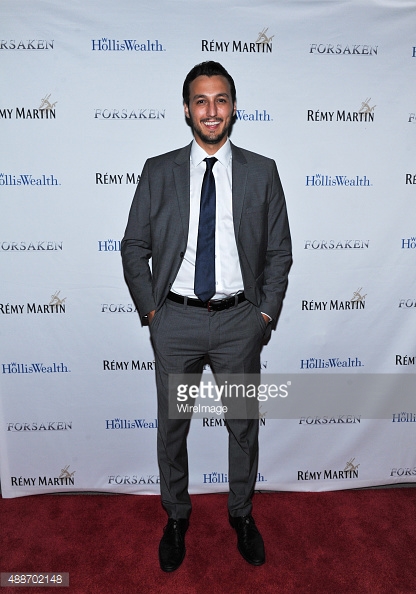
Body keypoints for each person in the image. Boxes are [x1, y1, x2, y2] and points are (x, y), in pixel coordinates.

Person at [121, 61, 292, 572]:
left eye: (220, 100)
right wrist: (152, 311)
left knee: (242, 426)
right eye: (201, 100)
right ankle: (176, 516)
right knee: (172, 428)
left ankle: (241, 514)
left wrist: (265, 314)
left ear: (234, 106)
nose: (211, 110)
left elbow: (280, 253)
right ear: (187, 110)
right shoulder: (159, 170)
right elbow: (133, 245)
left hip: (241, 322)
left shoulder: (263, 171)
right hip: (175, 321)